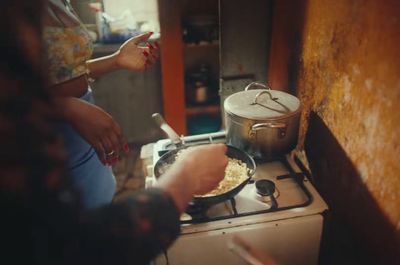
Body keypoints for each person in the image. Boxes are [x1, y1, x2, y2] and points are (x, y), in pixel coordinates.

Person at [0, 0, 228, 264]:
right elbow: (75, 245)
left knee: (97, 197)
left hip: (78, 135)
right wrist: (186, 177)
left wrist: (115, 61)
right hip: (53, 133)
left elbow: (62, 71)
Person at [43, 0, 160, 209]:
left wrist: (116, 60)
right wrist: (66, 107)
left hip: (83, 143)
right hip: (44, 152)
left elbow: (64, 71)